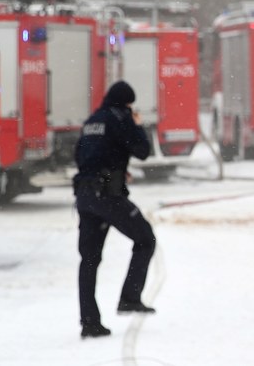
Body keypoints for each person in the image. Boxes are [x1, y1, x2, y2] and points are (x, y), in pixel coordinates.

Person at [72, 81, 158, 339]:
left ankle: (90, 323)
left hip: (85, 196)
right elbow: (143, 151)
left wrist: (116, 169)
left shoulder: (93, 120)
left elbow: (83, 156)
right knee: (145, 239)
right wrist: (138, 124)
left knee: (88, 260)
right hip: (108, 196)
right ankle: (130, 297)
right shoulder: (120, 117)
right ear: (127, 103)